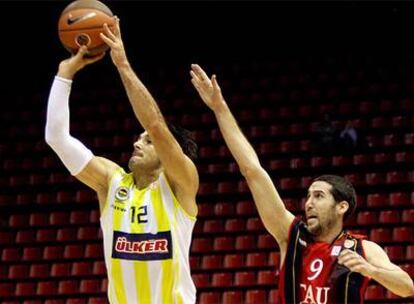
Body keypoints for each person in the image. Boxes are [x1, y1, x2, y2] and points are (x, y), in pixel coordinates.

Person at [190, 64, 414, 303]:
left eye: (318, 196)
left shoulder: (363, 249)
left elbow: (408, 287)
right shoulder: (291, 235)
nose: (308, 203)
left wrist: (372, 271)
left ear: (342, 206)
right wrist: (219, 108)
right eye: (308, 196)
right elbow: (252, 171)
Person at [45, 17, 198, 304]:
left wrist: (122, 65)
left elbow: (155, 125)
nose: (137, 142)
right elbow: (56, 138)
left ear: (168, 154)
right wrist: (64, 75)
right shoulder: (110, 181)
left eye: (148, 141)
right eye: (139, 138)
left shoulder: (181, 183)